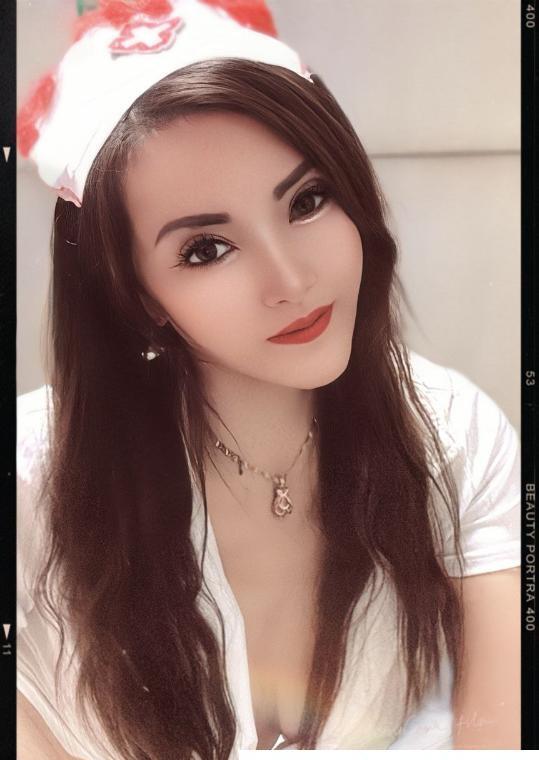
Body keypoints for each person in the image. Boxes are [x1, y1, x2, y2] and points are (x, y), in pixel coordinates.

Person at [17, 1, 520, 757]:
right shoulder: (33, 484)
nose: (291, 281)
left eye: (307, 201)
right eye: (206, 249)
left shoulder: (452, 435)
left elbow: (500, 740)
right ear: (136, 295)